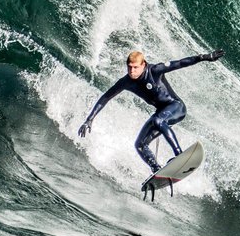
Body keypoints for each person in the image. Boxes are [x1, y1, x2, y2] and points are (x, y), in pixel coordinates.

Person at [78, 48, 224, 179]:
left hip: (176, 107)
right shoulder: (126, 82)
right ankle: (157, 170)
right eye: (129, 67)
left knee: (158, 121)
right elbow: (105, 97)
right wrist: (89, 119)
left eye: (135, 67)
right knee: (140, 145)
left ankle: (179, 155)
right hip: (161, 113)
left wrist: (204, 57)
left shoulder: (155, 70)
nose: (132, 71)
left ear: (143, 65)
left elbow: (180, 63)